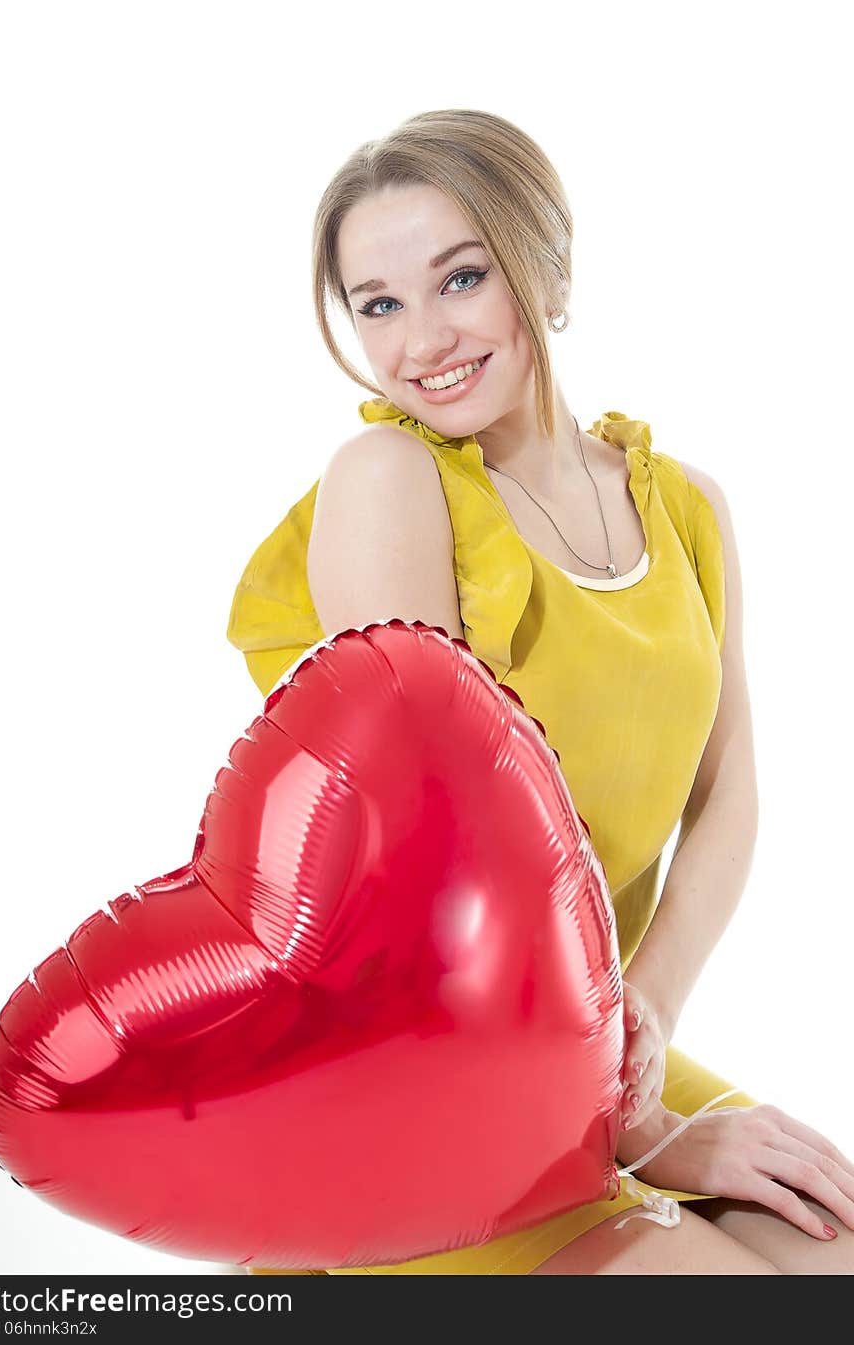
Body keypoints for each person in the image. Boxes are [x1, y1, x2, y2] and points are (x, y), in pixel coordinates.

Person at [226, 108, 854, 1274]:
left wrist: (646, 1027)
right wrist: (647, 1131)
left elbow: (729, 799)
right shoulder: (390, 480)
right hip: (419, 1075)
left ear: (546, 271)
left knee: (833, 1251)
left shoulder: (688, 510)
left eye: (459, 278)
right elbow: (431, 868)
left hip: (586, 1065)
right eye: (378, 304)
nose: (421, 340)